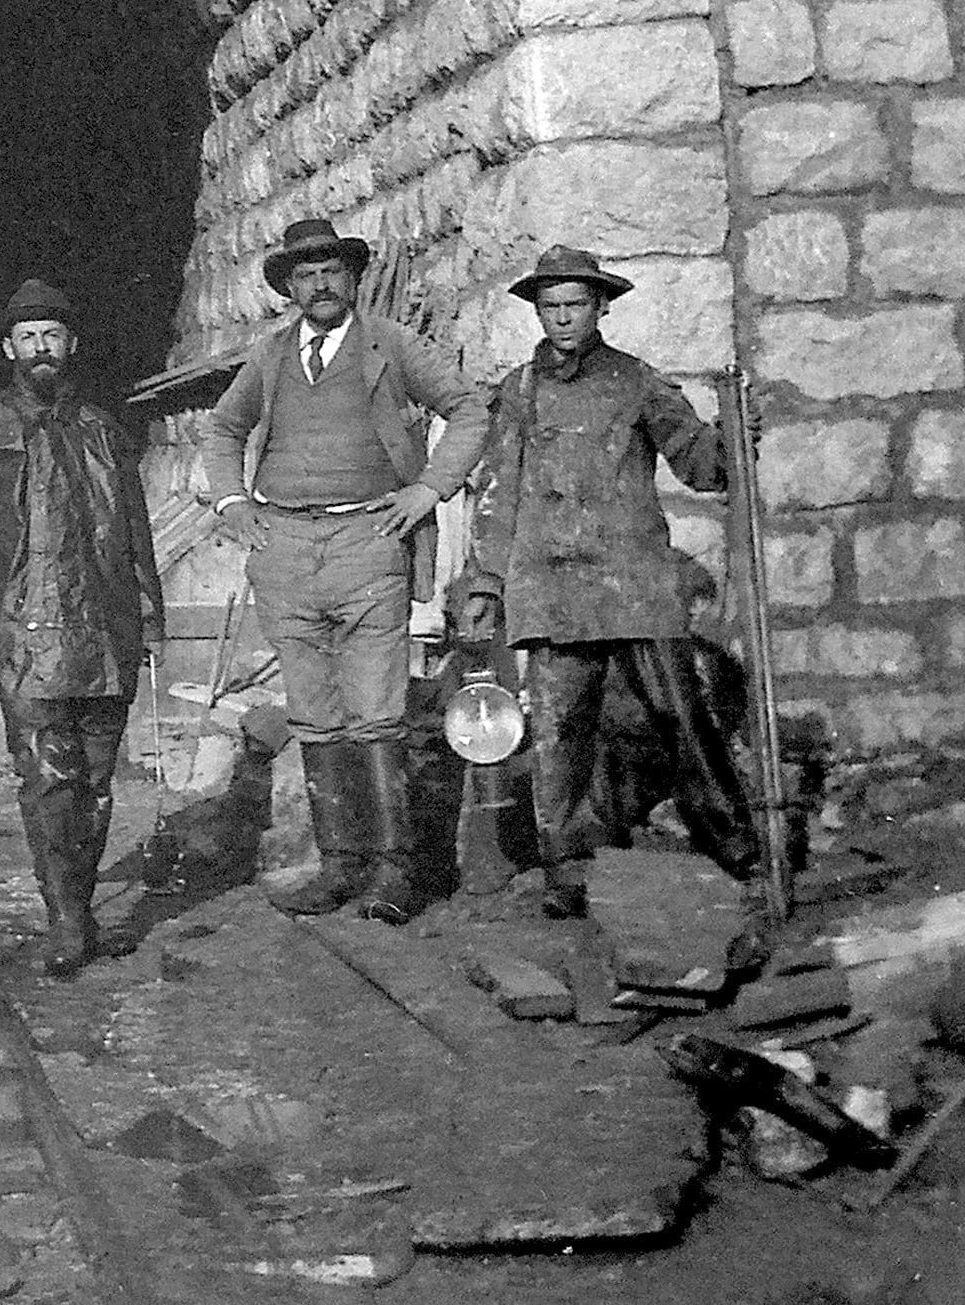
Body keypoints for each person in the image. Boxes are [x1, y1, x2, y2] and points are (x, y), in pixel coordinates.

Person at [456, 246, 761, 918]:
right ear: (538, 312)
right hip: (551, 587)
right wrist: (485, 583)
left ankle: (737, 846)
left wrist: (734, 437)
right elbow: (496, 492)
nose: (563, 319)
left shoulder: (636, 382)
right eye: (551, 307)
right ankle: (569, 867)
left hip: (634, 583)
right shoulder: (518, 392)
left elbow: (701, 465)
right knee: (560, 735)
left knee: (682, 719)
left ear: (601, 308)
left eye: (575, 305)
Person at [201, 216, 489, 924]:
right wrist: (234, 500)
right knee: (316, 714)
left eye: (332, 268)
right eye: (305, 273)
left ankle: (395, 871)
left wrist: (430, 488)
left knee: (377, 711)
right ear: (289, 288)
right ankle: (340, 866)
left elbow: (469, 407)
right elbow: (223, 428)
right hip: (286, 549)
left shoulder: (390, 346)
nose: (320, 282)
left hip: (370, 542)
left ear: (353, 278)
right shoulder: (270, 357)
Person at [0, 280, 165, 978]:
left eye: (52, 334)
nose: (41, 347)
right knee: (51, 781)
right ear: (8, 348)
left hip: (106, 633)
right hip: (26, 637)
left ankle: (77, 907)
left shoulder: (103, 430)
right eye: (28, 337)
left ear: (70, 344)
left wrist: (149, 613)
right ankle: (68, 921)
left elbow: (135, 529)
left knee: (99, 782)